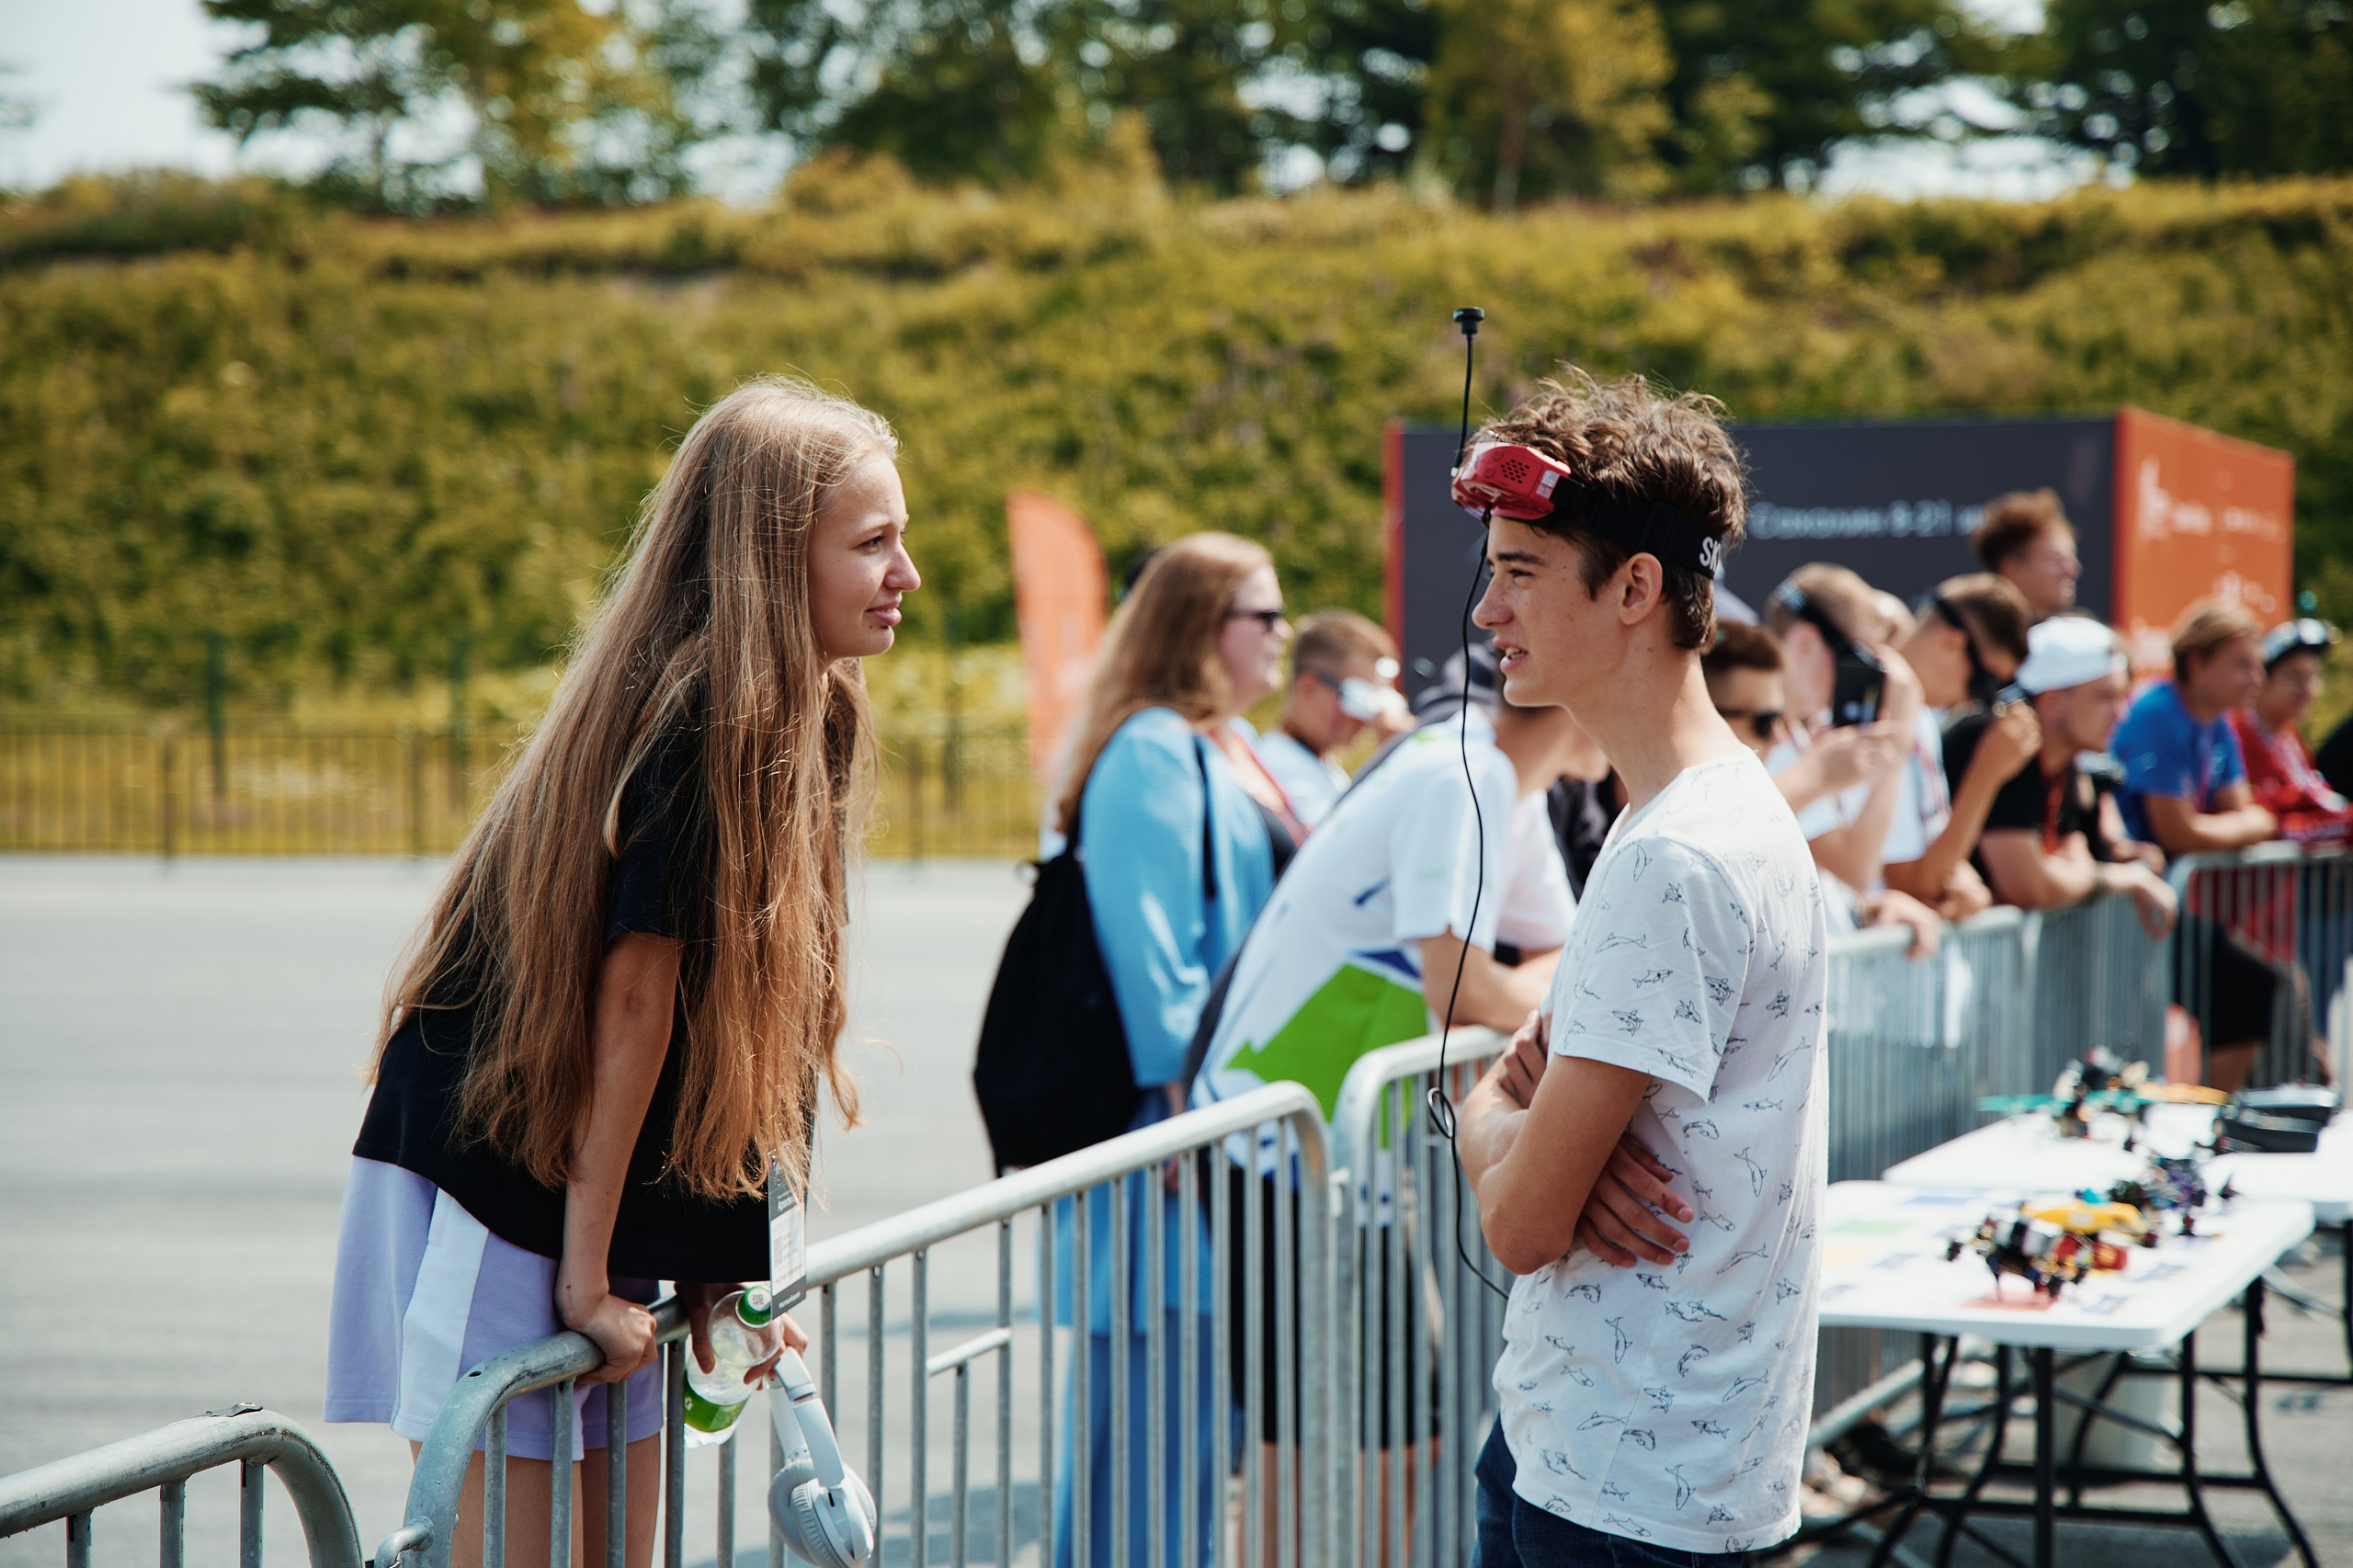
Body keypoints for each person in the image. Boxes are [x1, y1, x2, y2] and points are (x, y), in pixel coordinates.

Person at [327, 381, 919, 1568]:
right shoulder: (702, 716)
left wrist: (727, 1265)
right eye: (871, 542)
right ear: (767, 557)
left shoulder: (818, 712)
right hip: (504, 1178)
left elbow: (759, 1019)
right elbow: (636, 1002)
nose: (906, 570)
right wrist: (587, 1273)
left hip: (607, 1186)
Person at [1453, 370, 1830, 1562]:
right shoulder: (1711, 806)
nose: (1485, 611)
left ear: (1635, 587)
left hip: (1625, 1481)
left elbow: (1518, 1223)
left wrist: (1484, 1112)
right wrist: (1538, 1130)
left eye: (1520, 571)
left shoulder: (1674, 852)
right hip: (1653, 1449)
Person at [1046, 532, 1285, 1568]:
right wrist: (1195, 1113)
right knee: (1148, 1416)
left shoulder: (1227, 743)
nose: (1282, 635)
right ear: (1201, 628)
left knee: (1189, 1416)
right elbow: (1153, 961)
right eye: (1263, 616)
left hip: (1214, 1124)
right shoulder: (1153, 746)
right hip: (1176, 1136)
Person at [1704, 622, 1942, 958]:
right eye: (1763, 722)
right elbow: (1856, 866)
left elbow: (1799, 884)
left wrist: (1863, 909)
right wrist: (1895, 738)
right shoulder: (1785, 764)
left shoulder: (1795, 746)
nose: (1775, 735)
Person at [1943, 616, 2177, 937]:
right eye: (2106, 697)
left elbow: (2073, 852)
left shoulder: (2062, 755)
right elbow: (2029, 886)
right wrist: (2120, 879)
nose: (2121, 713)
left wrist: (2070, 872)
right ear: (2052, 702)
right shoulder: (2001, 738)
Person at [1761, 563, 1925, 903]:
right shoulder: (1766, 741)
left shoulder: (1794, 736)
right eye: (1857, 657)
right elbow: (1856, 868)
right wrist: (1898, 732)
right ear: (1806, 642)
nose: (1865, 676)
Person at [1878, 574, 2034, 921]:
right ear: (1950, 643)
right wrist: (1987, 774)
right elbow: (1914, 884)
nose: (1974, 703)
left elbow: (1937, 851)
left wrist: (1972, 886)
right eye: (1984, 683)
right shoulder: (1879, 717)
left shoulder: (1921, 718)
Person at [2110, 599, 2278, 855]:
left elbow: (2237, 808)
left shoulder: (2219, 721)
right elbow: (2178, 834)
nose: (2258, 680)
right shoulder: (2159, 714)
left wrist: (2251, 823)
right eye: (2242, 665)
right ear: (2197, 665)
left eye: (2259, 667)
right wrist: (2258, 825)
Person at [1252, 608, 1412, 827]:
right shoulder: (1278, 765)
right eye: (1356, 701)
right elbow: (1342, 846)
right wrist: (1392, 759)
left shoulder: (1322, 764)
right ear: (1309, 687)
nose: (1366, 720)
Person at [2229, 619, 2352, 845]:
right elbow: (2270, 823)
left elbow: (2316, 802)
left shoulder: (2289, 737)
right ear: (2261, 679)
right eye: (2296, 678)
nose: (2308, 690)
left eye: (2314, 676)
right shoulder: (2236, 735)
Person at [1969, 488, 2082, 622]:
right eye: (2057, 559)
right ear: (2012, 568)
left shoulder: (2084, 636)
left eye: (2071, 557)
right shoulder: (1977, 637)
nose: (2072, 570)